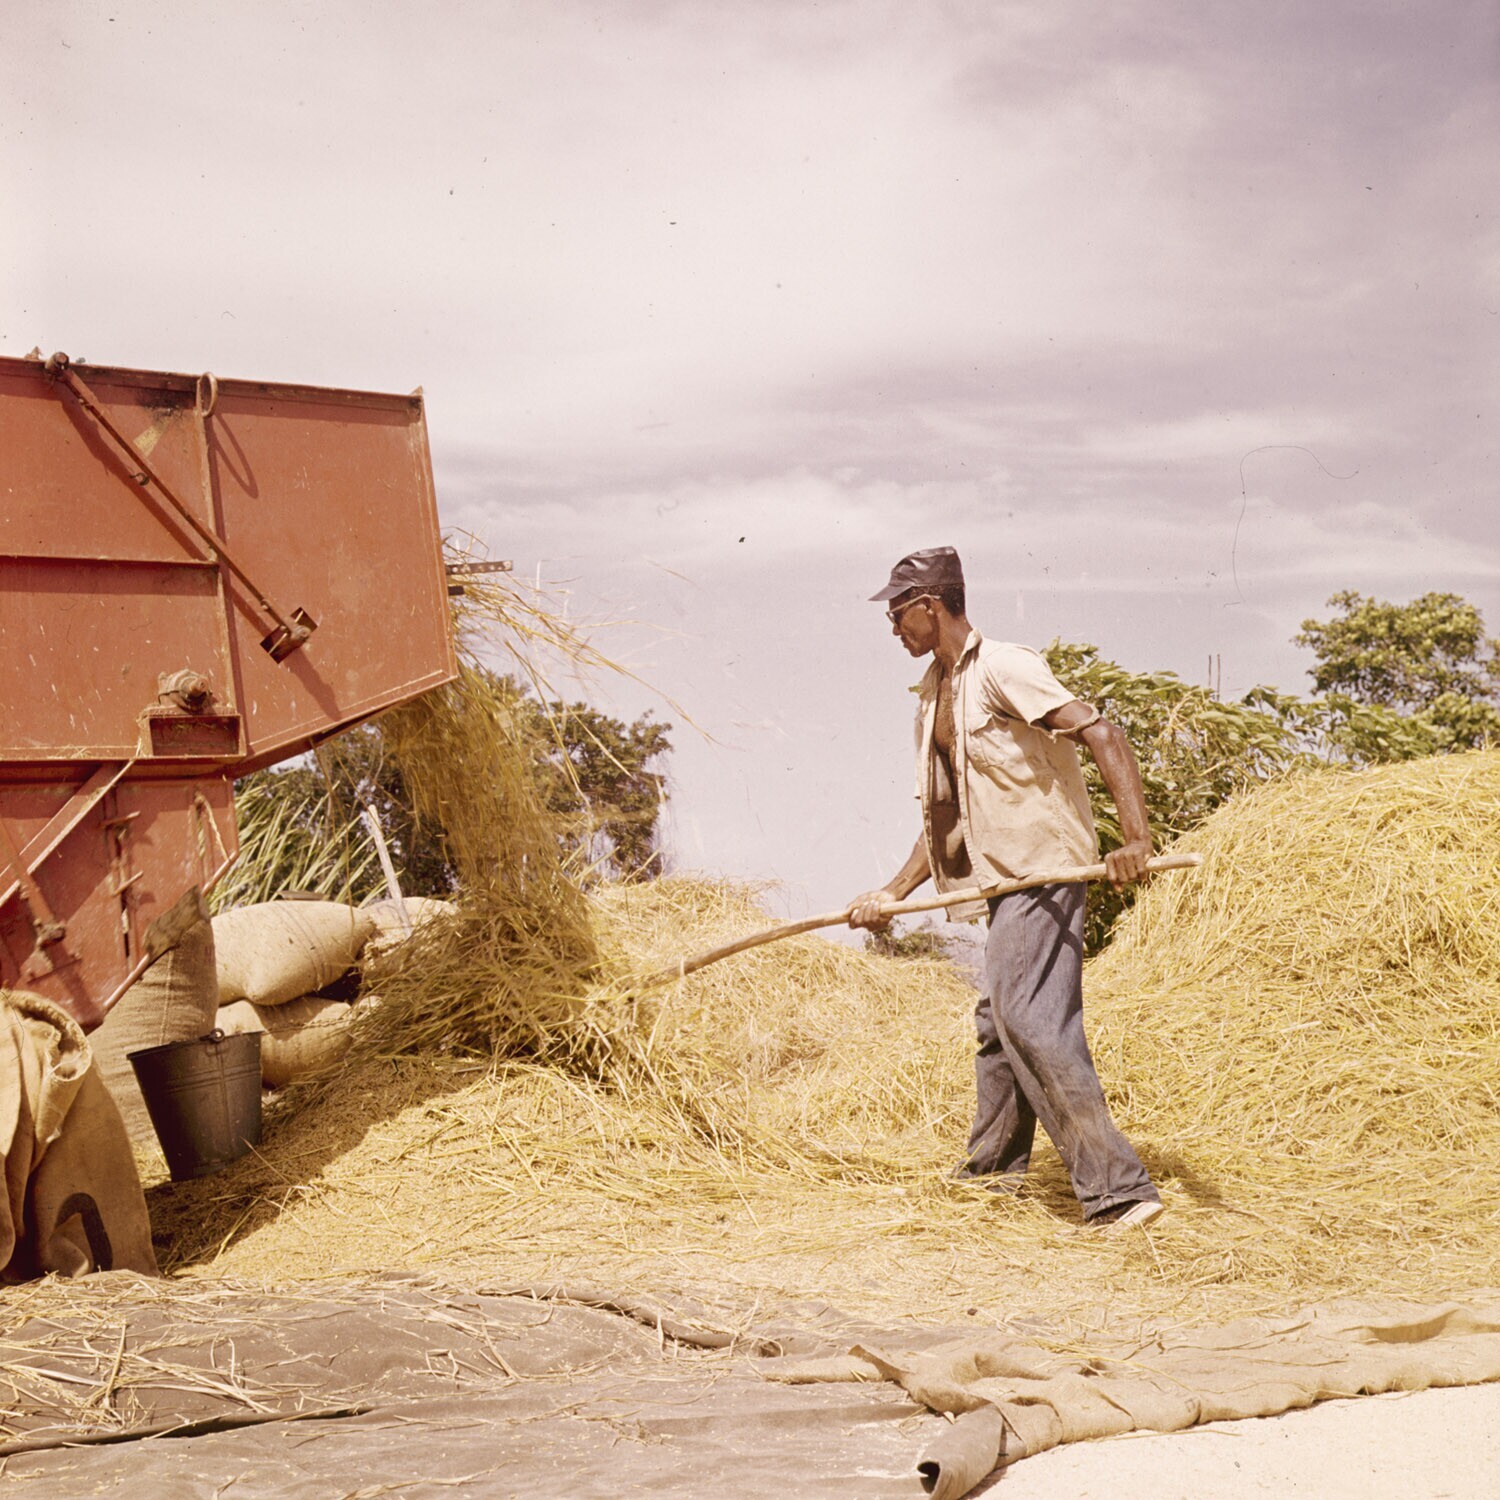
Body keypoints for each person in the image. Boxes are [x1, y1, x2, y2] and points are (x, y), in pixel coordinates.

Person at [848, 546, 1164, 1228]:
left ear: (930, 606)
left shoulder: (1003, 668)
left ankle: (1120, 1190)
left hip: (1044, 871)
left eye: (898, 614)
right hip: (1004, 881)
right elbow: (948, 819)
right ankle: (989, 1181)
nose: (893, 628)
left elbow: (1104, 735)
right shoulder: (935, 694)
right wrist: (894, 893)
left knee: (1029, 1020)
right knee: (999, 1025)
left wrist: (1136, 840)